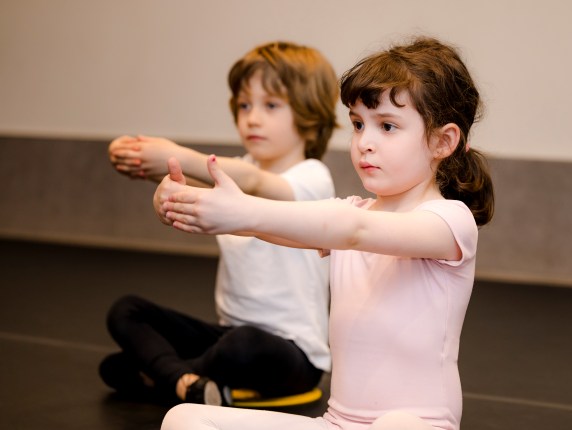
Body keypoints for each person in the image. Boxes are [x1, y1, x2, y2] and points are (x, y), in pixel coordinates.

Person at [156, 36, 495, 430]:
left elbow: (354, 231)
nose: (364, 143)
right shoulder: (351, 215)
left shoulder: (449, 222)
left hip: (420, 425)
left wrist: (242, 210)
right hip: (337, 424)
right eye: (358, 125)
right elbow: (284, 227)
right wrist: (188, 201)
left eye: (387, 126)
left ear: (443, 141)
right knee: (183, 418)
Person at [99, 41, 339, 406]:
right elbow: (193, 191)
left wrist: (179, 156)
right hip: (226, 335)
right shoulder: (237, 170)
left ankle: (161, 374)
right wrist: (162, 187)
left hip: (292, 354)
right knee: (126, 311)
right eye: (244, 105)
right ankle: (185, 382)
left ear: (310, 115)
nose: (252, 118)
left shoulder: (312, 176)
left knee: (243, 345)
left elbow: (254, 182)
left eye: (270, 105)